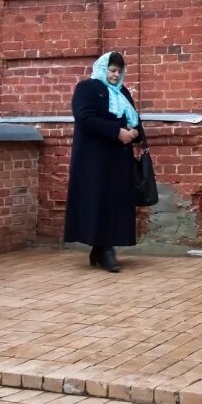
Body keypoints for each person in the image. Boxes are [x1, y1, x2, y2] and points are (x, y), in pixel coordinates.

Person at [64, 52, 141, 273]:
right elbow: (85, 117)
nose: (116, 75)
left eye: (119, 71)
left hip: (119, 160)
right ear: (103, 69)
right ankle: (105, 249)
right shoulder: (87, 88)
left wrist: (134, 132)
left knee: (115, 203)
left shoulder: (123, 93)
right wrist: (116, 132)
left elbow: (135, 119)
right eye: (112, 70)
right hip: (94, 159)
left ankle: (101, 248)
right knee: (98, 201)